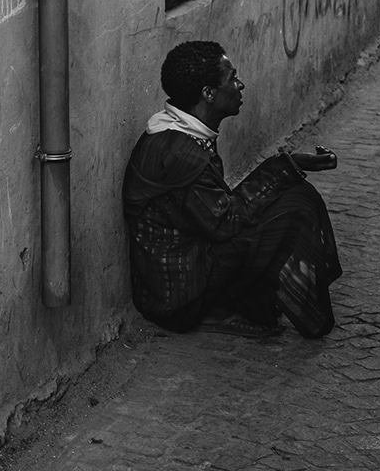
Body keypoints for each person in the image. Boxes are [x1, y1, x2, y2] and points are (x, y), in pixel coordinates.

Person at [121, 40, 342, 339]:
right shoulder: (178, 151)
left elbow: (216, 209)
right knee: (295, 205)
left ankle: (240, 302)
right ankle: (215, 310)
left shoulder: (184, 133)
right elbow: (225, 222)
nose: (240, 85)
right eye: (232, 78)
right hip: (177, 296)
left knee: (288, 197)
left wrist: (289, 166)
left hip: (186, 265)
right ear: (209, 93)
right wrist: (285, 168)